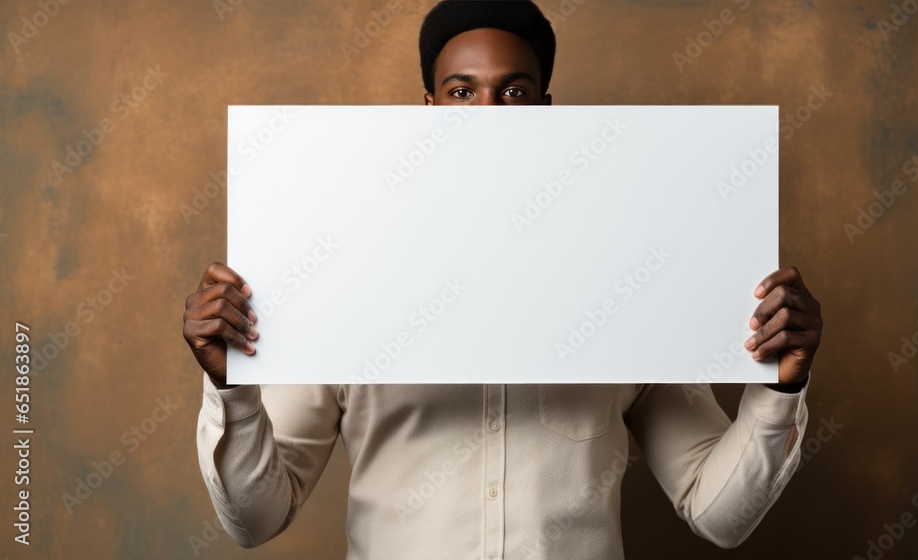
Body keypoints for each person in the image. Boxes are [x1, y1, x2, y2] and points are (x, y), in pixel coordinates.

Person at [185, 1, 823, 558]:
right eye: (462, 93)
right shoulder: (338, 284)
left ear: (546, 110)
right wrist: (230, 388)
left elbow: (717, 514)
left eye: (513, 92)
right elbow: (258, 518)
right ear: (429, 110)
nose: (486, 114)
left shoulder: (631, 285)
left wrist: (779, 392)